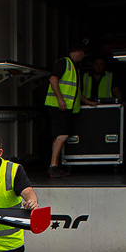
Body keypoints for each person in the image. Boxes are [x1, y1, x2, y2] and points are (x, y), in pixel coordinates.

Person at [45, 44, 87, 178]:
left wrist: (87, 101)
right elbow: (53, 79)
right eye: (83, 52)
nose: (84, 56)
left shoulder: (74, 66)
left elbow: (75, 90)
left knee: (59, 136)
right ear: (77, 51)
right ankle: (53, 166)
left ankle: (55, 166)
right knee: (62, 135)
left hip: (64, 107)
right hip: (58, 106)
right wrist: (60, 99)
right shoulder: (64, 62)